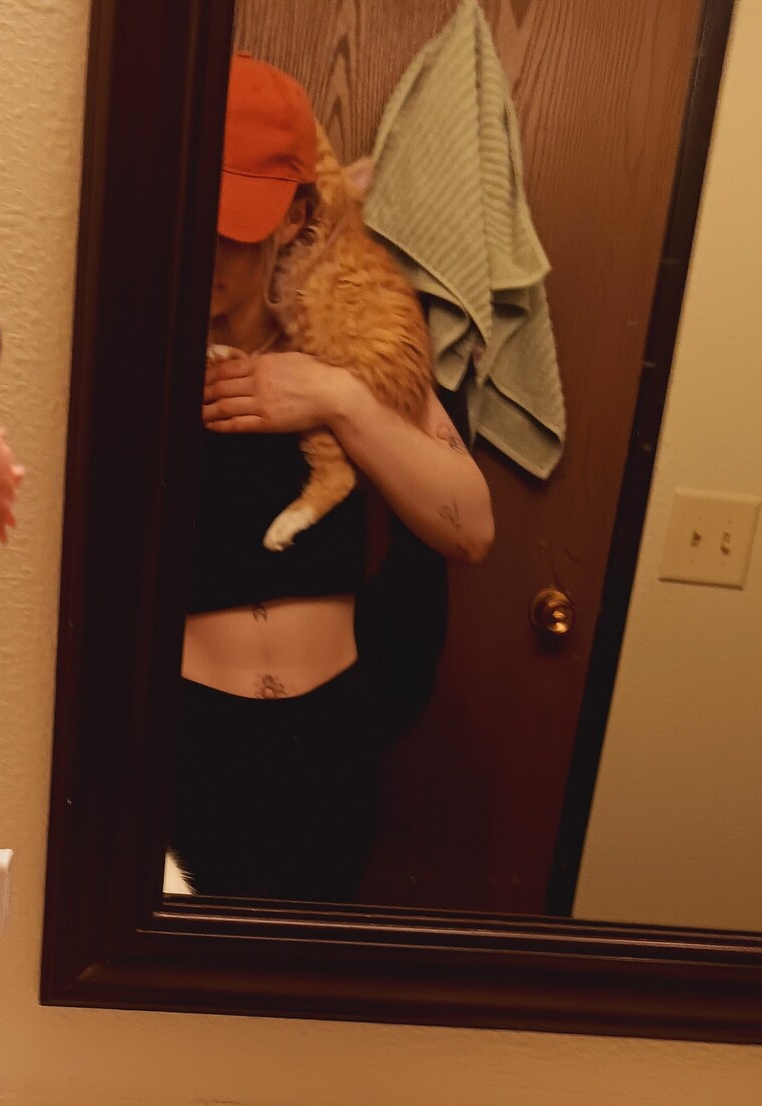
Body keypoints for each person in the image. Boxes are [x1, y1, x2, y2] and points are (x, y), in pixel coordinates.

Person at [170, 52, 494, 903]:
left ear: (296, 214)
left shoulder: (351, 333)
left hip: (330, 739)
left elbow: (470, 527)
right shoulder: (140, 338)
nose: (209, 252)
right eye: (193, 217)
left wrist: (337, 398)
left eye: (234, 226)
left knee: (302, 983)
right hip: (183, 735)